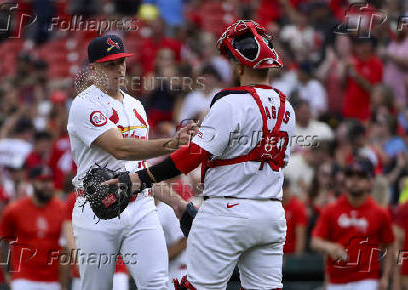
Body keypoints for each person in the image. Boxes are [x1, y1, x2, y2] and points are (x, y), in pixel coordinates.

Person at [104, 20, 296, 290]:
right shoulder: (287, 105)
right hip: (271, 213)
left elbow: (190, 157)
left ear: (239, 65)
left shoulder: (231, 102)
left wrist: (137, 179)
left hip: (227, 211)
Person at [67, 35, 195, 290]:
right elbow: (121, 149)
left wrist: (177, 203)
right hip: (96, 207)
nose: (119, 69)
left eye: (121, 61)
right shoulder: (84, 104)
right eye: (110, 63)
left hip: (140, 206)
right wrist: (171, 143)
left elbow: (140, 169)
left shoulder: (136, 105)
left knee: (157, 284)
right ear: (93, 69)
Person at [311, 158, 394, 290]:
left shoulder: (380, 213)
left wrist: (385, 277)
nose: (354, 180)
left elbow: (389, 245)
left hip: (367, 280)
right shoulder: (331, 209)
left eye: (360, 176)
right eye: (350, 175)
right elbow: (315, 241)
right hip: (336, 280)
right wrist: (330, 247)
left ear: (370, 181)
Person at [0, 166, 67, 290]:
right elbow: (4, 242)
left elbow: (65, 248)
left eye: (49, 181)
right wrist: (7, 274)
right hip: (24, 278)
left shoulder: (61, 209)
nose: (47, 185)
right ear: (32, 182)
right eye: (42, 181)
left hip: (52, 280)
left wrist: (63, 283)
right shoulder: (14, 210)